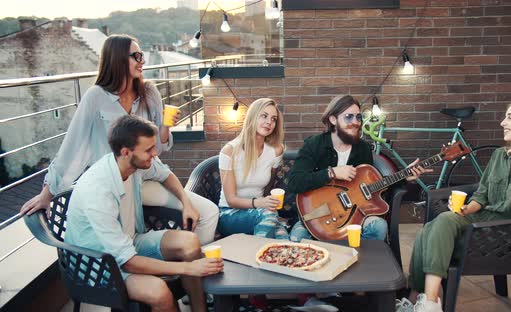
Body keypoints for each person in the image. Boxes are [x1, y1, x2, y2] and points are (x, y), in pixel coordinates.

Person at [20, 34, 218, 244]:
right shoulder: (95, 97)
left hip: (149, 178)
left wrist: (166, 126)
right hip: (114, 185)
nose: (143, 61)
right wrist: (46, 194)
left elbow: (157, 149)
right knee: (124, 244)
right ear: (117, 59)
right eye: (137, 56)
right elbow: (72, 147)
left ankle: (197, 263)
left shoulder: (149, 93)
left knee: (208, 212)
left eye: (142, 56)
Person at [398, 99, 511, 312]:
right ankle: (418, 300)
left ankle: (429, 302)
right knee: (429, 230)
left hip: (504, 235)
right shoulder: (500, 155)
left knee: (441, 224)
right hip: (480, 222)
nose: (502, 122)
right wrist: (467, 209)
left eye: (510, 117)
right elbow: (482, 195)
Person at [64, 115, 223, 311]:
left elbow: (165, 174)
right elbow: (127, 262)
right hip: (98, 263)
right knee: (158, 292)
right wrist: (188, 268)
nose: (155, 153)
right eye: (148, 150)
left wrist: (186, 202)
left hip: (130, 242)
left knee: (189, 241)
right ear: (125, 152)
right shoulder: (98, 191)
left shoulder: (134, 164)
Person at [288, 94, 429, 242]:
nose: (355, 122)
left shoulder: (363, 149)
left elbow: (370, 186)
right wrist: (332, 172)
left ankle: (365, 264)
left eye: (358, 117)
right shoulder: (314, 145)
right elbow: (295, 181)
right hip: (316, 215)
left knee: (379, 226)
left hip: (352, 216)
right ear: (333, 119)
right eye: (348, 117)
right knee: (298, 236)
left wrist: (405, 177)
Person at [217, 98, 288, 239]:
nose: (269, 122)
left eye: (273, 119)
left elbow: (268, 189)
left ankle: (263, 256)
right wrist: (260, 204)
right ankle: (257, 255)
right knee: (268, 216)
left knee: (284, 239)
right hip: (229, 214)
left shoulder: (275, 151)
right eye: (264, 116)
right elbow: (231, 199)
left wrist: (269, 204)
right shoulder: (229, 151)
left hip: (263, 213)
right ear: (252, 117)